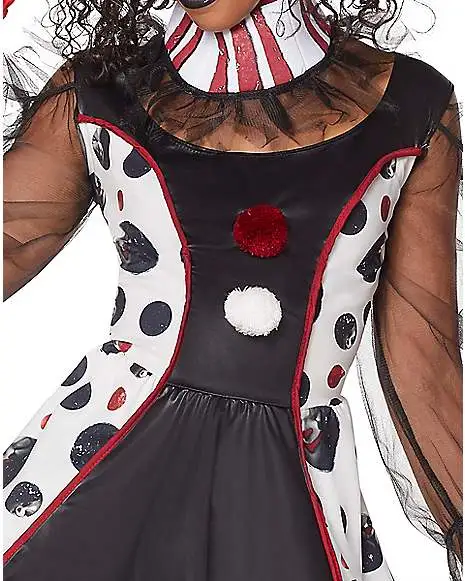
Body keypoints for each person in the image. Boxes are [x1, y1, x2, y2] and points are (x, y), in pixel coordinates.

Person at [2, 0, 463, 579]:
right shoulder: (99, 92)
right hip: (96, 477)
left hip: (288, 501)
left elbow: (425, 362)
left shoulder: (411, 110)